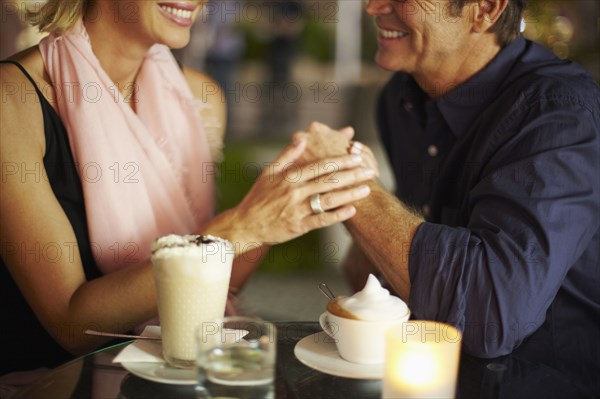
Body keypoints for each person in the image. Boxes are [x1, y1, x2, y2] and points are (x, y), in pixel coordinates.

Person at [0, 0, 377, 377]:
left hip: (175, 374)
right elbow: (70, 326)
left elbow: (213, 285)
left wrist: (276, 210)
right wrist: (243, 226)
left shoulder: (201, 97)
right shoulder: (12, 99)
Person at [295, 0, 599, 387]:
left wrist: (347, 183)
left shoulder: (557, 114)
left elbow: (489, 318)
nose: (373, 7)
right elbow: (380, 272)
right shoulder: (400, 99)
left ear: (485, 9)